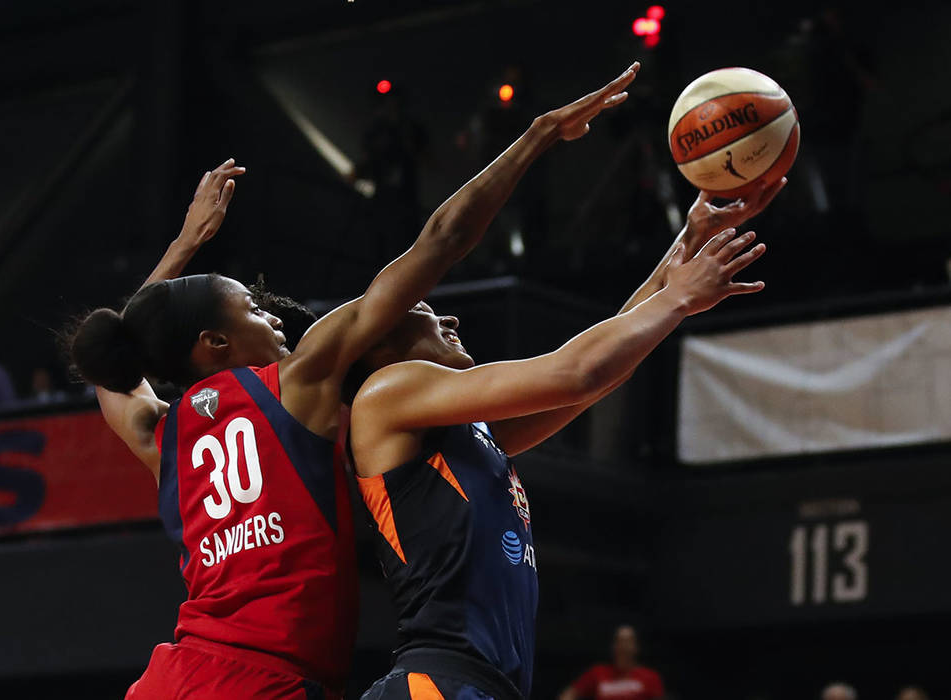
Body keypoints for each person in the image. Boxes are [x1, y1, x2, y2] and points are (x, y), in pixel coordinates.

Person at [70, 63, 642, 700]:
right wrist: (535, 138)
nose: (272, 317)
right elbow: (443, 239)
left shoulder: (163, 436)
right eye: (252, 310)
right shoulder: (297, 380)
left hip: (175, 675)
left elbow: (115, 375)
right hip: (269, 681)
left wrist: (182, 247)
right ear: (215, 344)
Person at [347, 177, 783, 697]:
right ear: (379, 346)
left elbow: (598, 377)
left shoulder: (467, 433)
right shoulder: (387, 391)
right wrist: (681, 299)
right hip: (437, 679)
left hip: (484, 684)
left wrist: (686, 242)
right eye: (423, 310)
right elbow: (576, 372)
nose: (449, 315)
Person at [559, 626, 664, 700]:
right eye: (620, 641)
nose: (624, 646)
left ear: (636, 647)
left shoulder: (650, 677)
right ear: (614, 646)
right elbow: (570, 694)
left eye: (628, 641)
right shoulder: (598, 672)